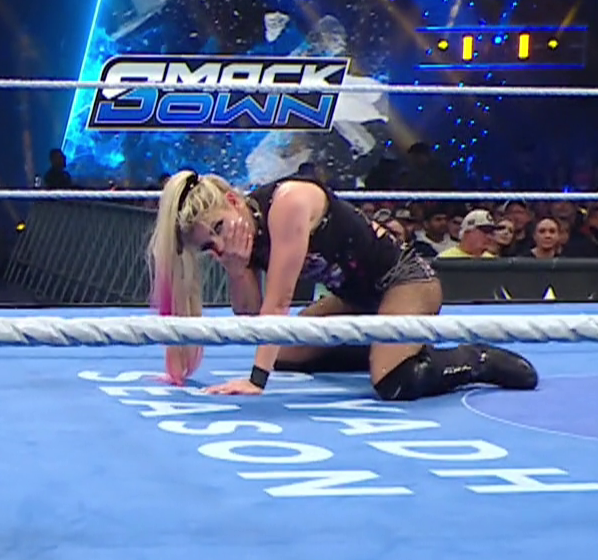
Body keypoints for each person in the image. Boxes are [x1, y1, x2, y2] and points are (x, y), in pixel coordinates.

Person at [146, 170, 539, 401]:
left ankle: (477, 358)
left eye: (218, 228)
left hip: (406, 280)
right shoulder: (238, 239)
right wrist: (236, 269)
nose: (220, 244)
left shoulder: (288, 204)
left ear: (233, 201)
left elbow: (277, 305)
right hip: (356, 300)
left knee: (392, 382)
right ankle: (391, 347)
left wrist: (255, 382)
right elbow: (253, 318)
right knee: (282, 354)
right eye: (208, 246)